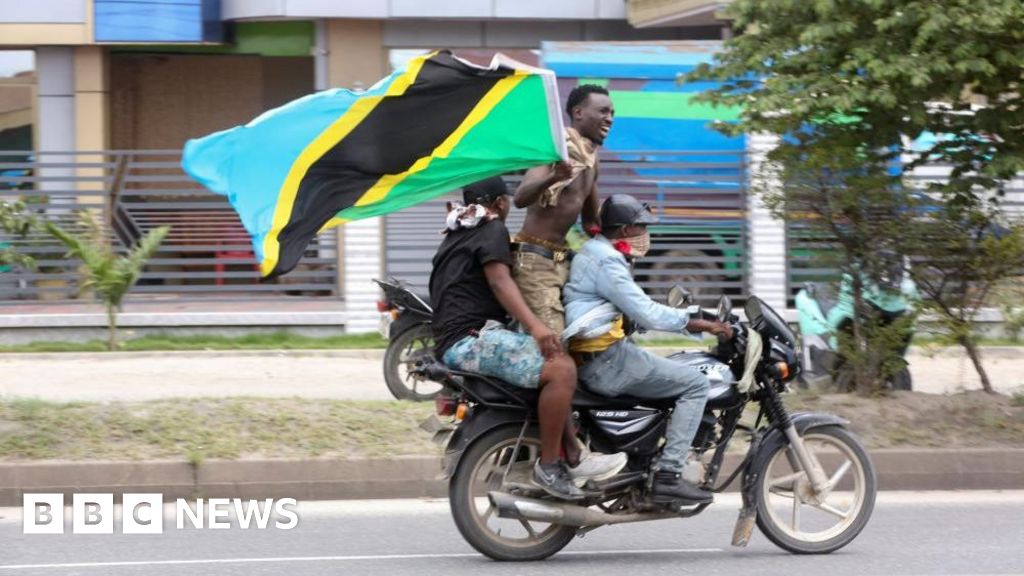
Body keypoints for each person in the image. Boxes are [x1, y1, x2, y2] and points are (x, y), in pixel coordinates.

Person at [429, 176, 623, 500]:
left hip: (460, 339)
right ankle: (551, 466)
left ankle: (574, 453)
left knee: (550, 367)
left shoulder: (456, 233)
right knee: (561, 368)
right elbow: (500, 282)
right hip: (471, 341)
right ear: (502, 203)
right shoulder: (491, 229)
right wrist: (537, 326)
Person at [563, 194, 734, 504]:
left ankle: (647, 459)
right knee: (696, 384)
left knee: (671, 371)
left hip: (600, 354)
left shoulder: (596, 251)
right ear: (627, 230)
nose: (646, 234)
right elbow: (648, 313)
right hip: (606, 360)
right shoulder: (607, 259)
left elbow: (630, 308)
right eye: (642, 227)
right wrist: (699, 322)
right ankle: (669, 475)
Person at [511, 84, 615, 334]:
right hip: (534, 261)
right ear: (578, 113)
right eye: (603, 111)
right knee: (555, 346)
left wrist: (621, 244)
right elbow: (521, 197)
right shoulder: (555, 149)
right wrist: (552, 177)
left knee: (587, 332)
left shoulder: (591, 158)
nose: (609, 119)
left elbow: (591, 222)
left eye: (612, 113)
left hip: (564, 261)